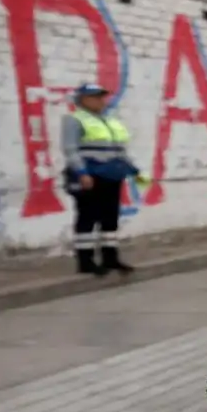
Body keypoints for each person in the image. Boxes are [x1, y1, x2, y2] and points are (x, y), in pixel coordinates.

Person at [61, 82, 140, 276]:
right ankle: (85, 261)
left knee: (110, 218)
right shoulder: (74, 120)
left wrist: (133, 170)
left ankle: (110, 258)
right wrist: (81, 173)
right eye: (95, 97)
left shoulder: (109, 121)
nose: (100, 101)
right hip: (91, 174)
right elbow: (70, 149)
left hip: (112, 174)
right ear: (83, 100)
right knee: (87, 217)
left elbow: (119, 148)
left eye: (101, 97)